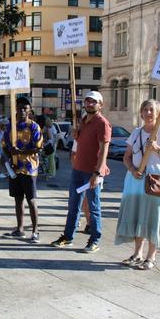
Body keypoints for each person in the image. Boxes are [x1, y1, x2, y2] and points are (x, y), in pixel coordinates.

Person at [115, 99, 160, 270]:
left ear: (158, 113)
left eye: (152, 110)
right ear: (141, 113)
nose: (148, 113)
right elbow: (126, 157)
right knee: (137, 217)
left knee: (153, 219)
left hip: (157, 183)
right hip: (135, 181)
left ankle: (151, 257)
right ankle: (137, 254)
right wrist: (133, 170)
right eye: (145, 110)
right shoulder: (136, 133)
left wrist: (157, 148)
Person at [51, 91, 111, 253]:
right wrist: (76, 135)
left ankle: (94, 240)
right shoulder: (82, 120)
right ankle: (68, 236)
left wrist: (97, 174)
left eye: (94, 102)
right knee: (73, 205)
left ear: (101, 105)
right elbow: (80, 143)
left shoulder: (102, 123)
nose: (90, 104)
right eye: (87, 101)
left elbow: (104, 150)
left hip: (92, 172)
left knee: (93, 207)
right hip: (78, 169)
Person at [1, 97, 42, 242]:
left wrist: (20, 152)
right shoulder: (11, 126)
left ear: (30, 109)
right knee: (18, 199)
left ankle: (36, 231)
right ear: (15, 109)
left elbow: (37, 147)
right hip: (15, 168)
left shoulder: (34, 127)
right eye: (19, 108)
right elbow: (4, 145)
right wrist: (10, 159)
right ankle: (20, 229)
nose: (22, 110)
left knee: (31, 200)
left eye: (25, 108)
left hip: (30, 169)